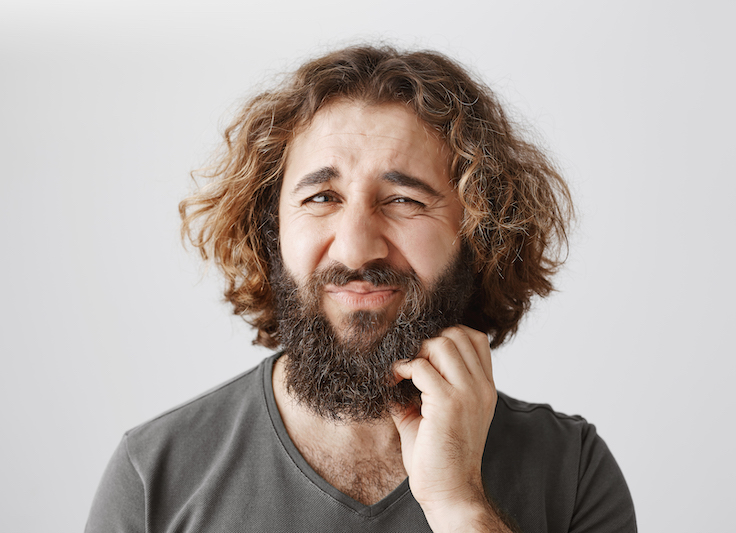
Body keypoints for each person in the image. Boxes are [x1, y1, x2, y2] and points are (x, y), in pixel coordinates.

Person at [86, 45, 636, 532]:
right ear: (269, 231)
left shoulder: (571, 470)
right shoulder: (154, 475)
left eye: (404, 200)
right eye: (321, 198)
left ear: (479, 233)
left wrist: (461, 505)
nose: (355, 250)